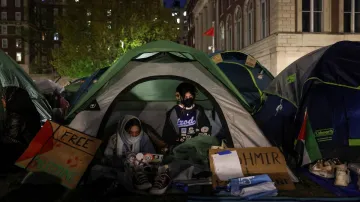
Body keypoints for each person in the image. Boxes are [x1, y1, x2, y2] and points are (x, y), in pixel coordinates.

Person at [0, 86, 41, 172]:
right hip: (33, 151)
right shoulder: (30, 111)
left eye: (4, 98)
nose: (2, 100)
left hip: (22, 156)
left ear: (11, 99)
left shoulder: (16, 116)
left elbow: (9, 140)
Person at [162, 82, 212, 151]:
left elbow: (205, 130)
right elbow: (168, 135)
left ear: (194, 96)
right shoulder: (173, 112)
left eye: (190, 96)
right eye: (186, 97)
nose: (188, 99)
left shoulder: (199, 110)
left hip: (196, 146)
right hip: (179, 147)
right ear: (179, 96)